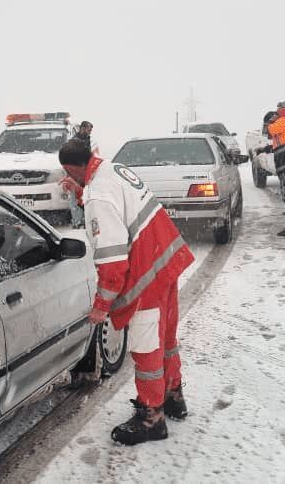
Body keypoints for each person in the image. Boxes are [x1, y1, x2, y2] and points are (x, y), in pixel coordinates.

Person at [58, 139, 195, 446]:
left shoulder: (99, 197)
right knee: (165, 339)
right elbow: (116, 205)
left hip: (145, 274)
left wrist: (101, 305)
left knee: (146, 347)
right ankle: (173, 396)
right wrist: (81, 192)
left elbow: (113, 262)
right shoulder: (112, 169)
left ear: (70, 167)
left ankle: (152, 417)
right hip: (164, 260)